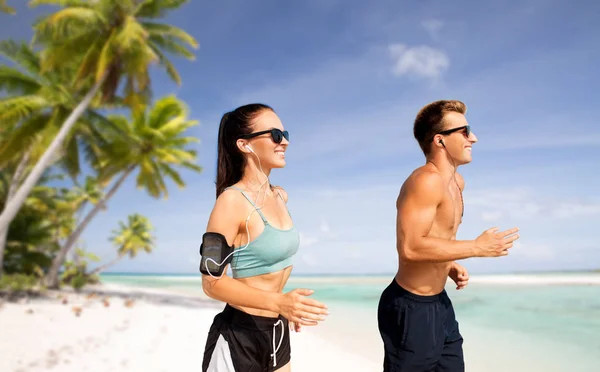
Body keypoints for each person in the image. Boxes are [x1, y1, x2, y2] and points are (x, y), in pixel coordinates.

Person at [377, 100, 520, 371]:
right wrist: (476, 248)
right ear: (440, 140)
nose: (473, 138)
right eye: (465, 131)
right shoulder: (425, 180)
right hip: (410, 307)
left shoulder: (457, 183)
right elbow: (410, 247)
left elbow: (436, 234)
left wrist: (449, 262)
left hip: (439, 303)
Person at [200, 103, 329, 372]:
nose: (284, 142)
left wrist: (284, 307)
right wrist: (280, 302)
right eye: (275, 135)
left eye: (286, 134)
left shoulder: (280, 195)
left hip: (277, 331)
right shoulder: (231, 202)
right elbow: (211, 283)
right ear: (245, 145)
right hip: (239, 337)